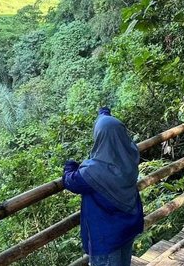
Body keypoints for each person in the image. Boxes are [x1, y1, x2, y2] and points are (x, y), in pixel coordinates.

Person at [62, 107, 143, 266]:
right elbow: (110, 127)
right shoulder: (130, 156)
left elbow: (71, 181)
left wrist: (69, 166)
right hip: (127, 229)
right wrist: (103, 113)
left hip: (107, 238)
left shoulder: (95, 171)